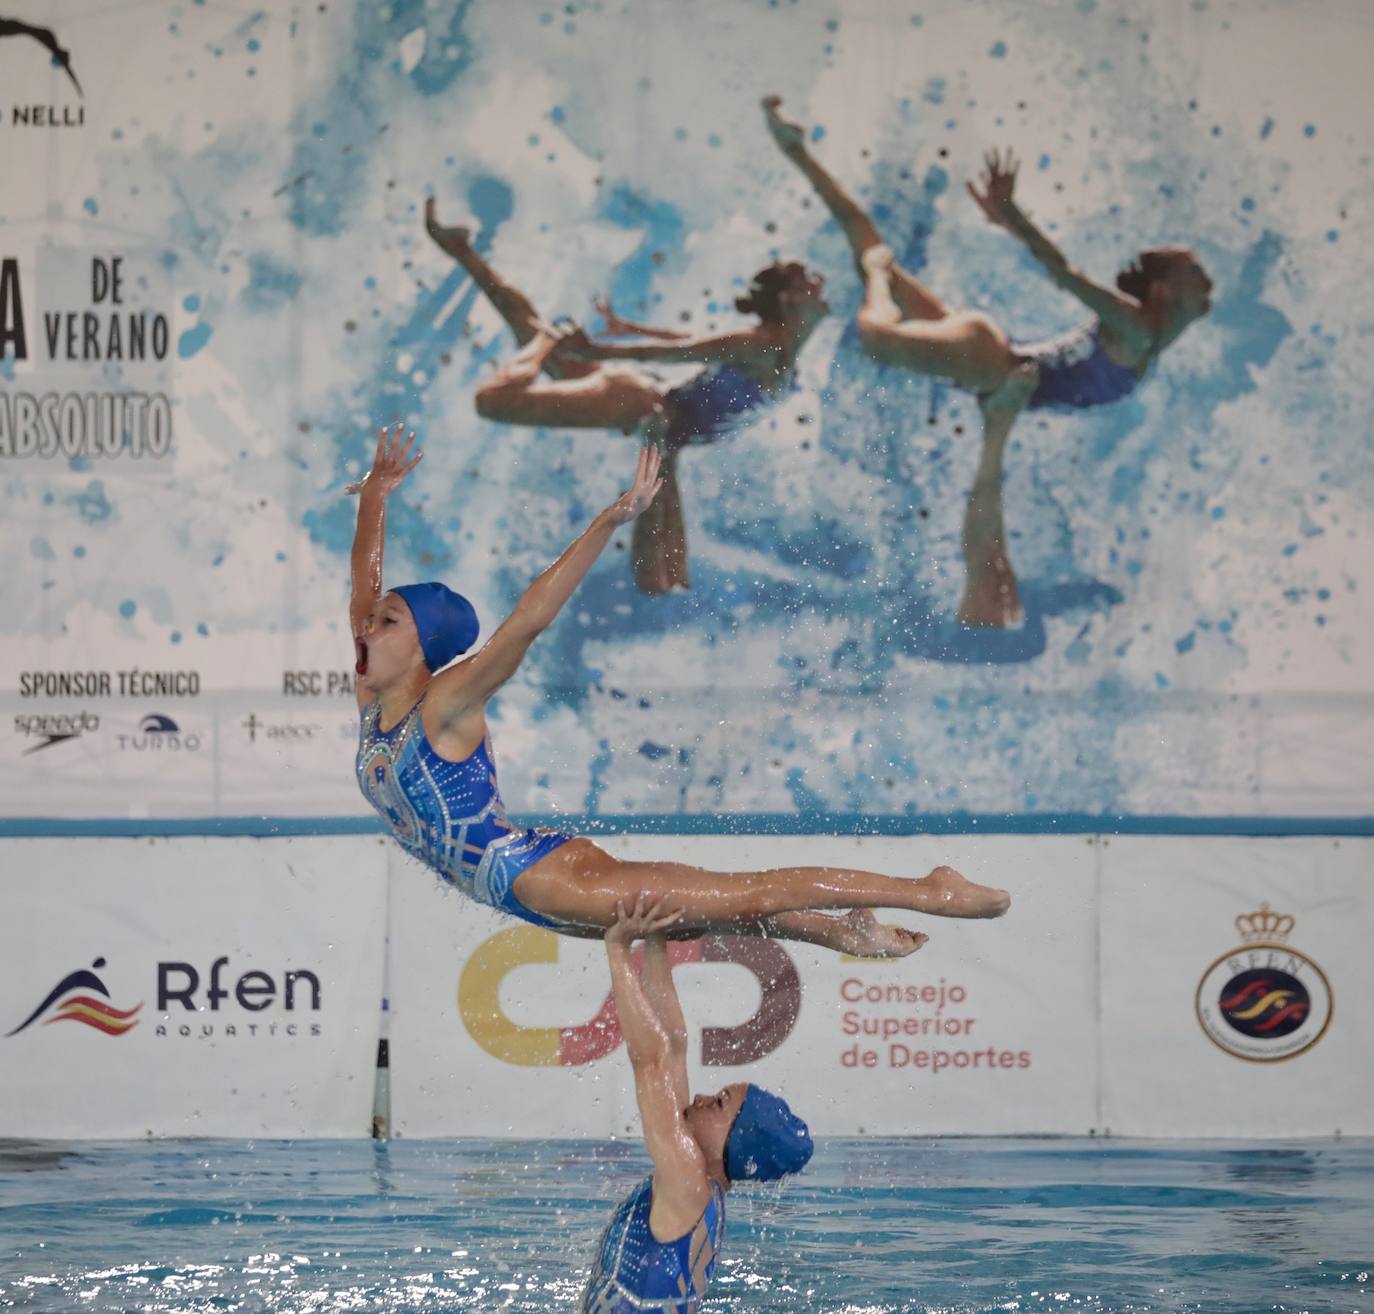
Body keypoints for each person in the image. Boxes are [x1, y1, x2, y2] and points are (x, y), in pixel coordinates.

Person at [349, 423, 1010, 955]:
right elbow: (363, 585)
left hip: (544, 880)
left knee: (741, 895)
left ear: (423, 649)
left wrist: (611, 521)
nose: (367, 626)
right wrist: (376, 497)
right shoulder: (374, 700)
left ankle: (926, 889)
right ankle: (841, 930)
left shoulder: (446, 704)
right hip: (521, 889)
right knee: (689, 922)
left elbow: (531, 618)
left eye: (387, 622)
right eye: (373, 621)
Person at [762, 97, 1213, 627]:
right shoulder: (1135, 329)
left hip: (991, 360)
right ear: (1162, 290)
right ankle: (878, 275)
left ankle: (797, 153)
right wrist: (1013, 217)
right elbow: (1063, 273)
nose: (1206, 278)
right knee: (876, 330)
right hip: (988, 360)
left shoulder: (1145, 341)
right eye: (1193, 271)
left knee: (869, 250)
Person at [424, 198, 829, 593]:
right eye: (809, 280)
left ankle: (462, 250)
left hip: (661, 424)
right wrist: (597, 351)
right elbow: (681, 353)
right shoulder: (761, 344)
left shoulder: (777, 354)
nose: (821, 283)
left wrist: (628, 328)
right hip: (642, 404)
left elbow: (693, 343)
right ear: (789, 300)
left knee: (668, 580)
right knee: (492, 401)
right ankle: (546, 339)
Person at [579, 894, 813, 1313]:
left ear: (735, 1142)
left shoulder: (687, 1177)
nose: (703, 1098)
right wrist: (656, 944)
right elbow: (672, 1046)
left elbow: (649, 1062)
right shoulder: (703, 1187)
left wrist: (617, 949)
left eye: (720, 1104)